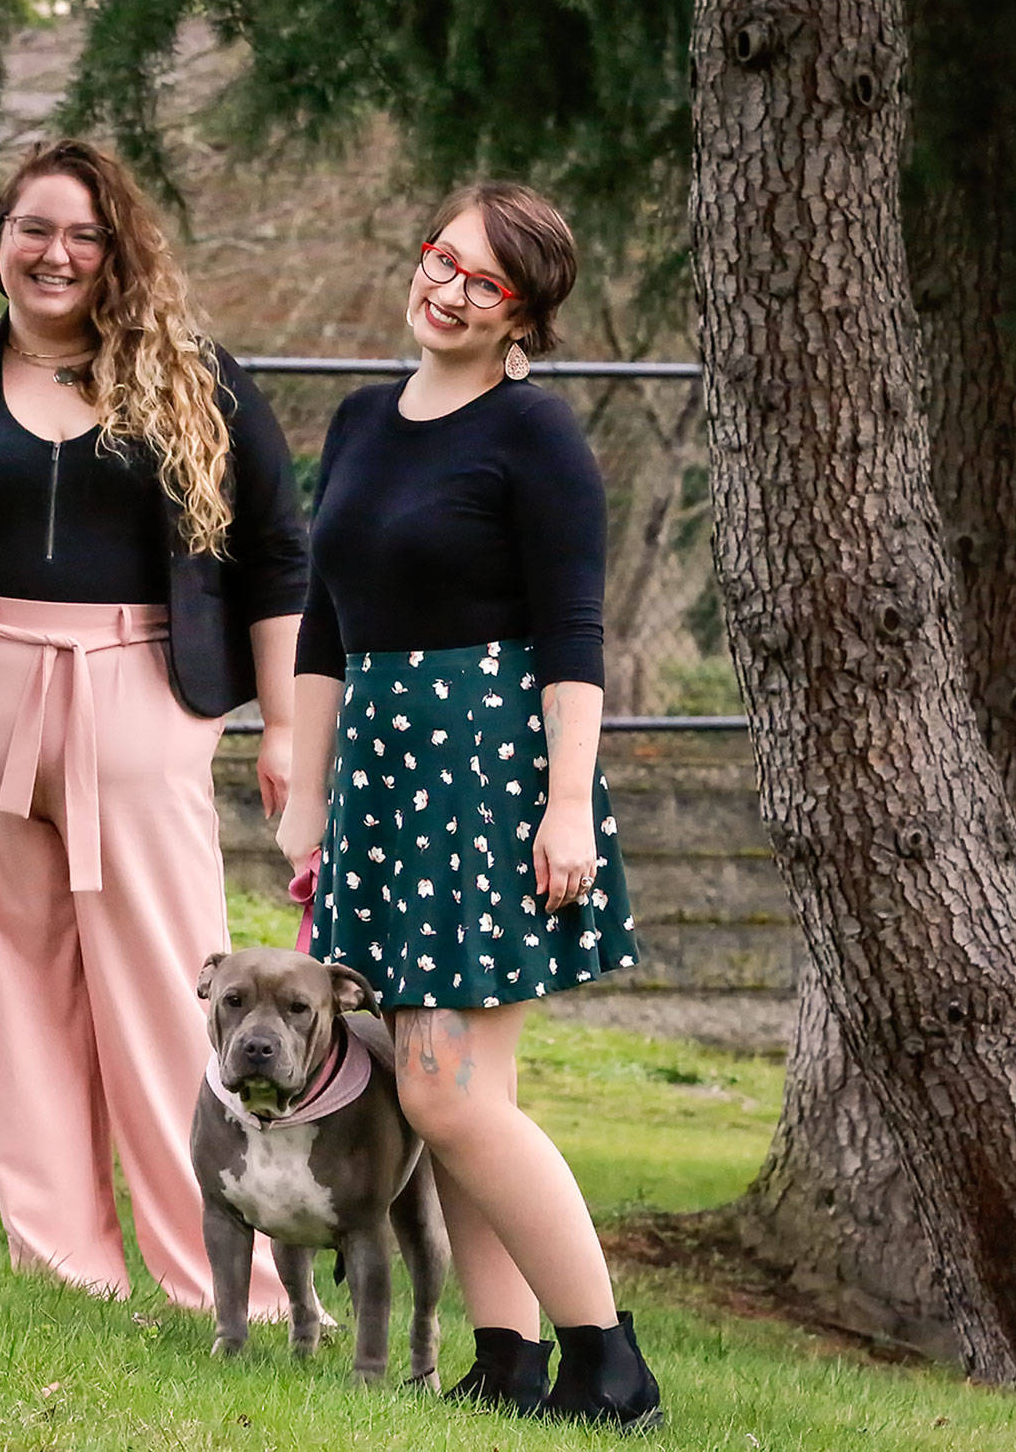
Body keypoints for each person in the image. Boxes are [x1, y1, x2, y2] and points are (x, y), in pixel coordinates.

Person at [0, 140, 305, 1314]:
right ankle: (64, 1267)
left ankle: (223, 1278)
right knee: (7, 987)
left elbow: (281, 552)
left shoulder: (195, 379)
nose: (56, 254)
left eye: (84, 235)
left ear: (115, 252)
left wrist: (284, 729)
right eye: (34, 229)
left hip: (138, 698)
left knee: (169, 986)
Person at [275, 182, 663, 1427]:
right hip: (385, 774)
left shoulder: (531, 433)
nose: (442, 287)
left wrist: (563, 803)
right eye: (439, 257)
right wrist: (305, 797)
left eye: (479, 281)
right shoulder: (356, 419)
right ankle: (507, 1364)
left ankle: (609, 1364)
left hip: (484, 775)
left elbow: (570, 634)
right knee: (461, 1103)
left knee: (440, 1091)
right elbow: (326, 623)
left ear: (521, 319)